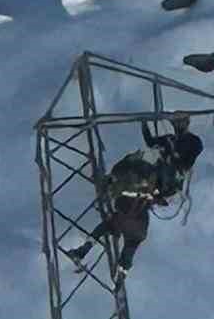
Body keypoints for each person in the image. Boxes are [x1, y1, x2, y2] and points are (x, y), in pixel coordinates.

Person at [64, 113, 202, 275]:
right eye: (175, 123)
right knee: (136, 168)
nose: (177, 126)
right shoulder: (170, 138)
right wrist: (144, 125)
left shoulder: (193, 141)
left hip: (170, 177)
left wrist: (172, 154)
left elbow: (187, 159)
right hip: (157, 179)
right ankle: (86, 253)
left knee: (150, 169)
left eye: (179, 123)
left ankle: (116, 184)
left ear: (186, 124)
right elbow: (151, 142)